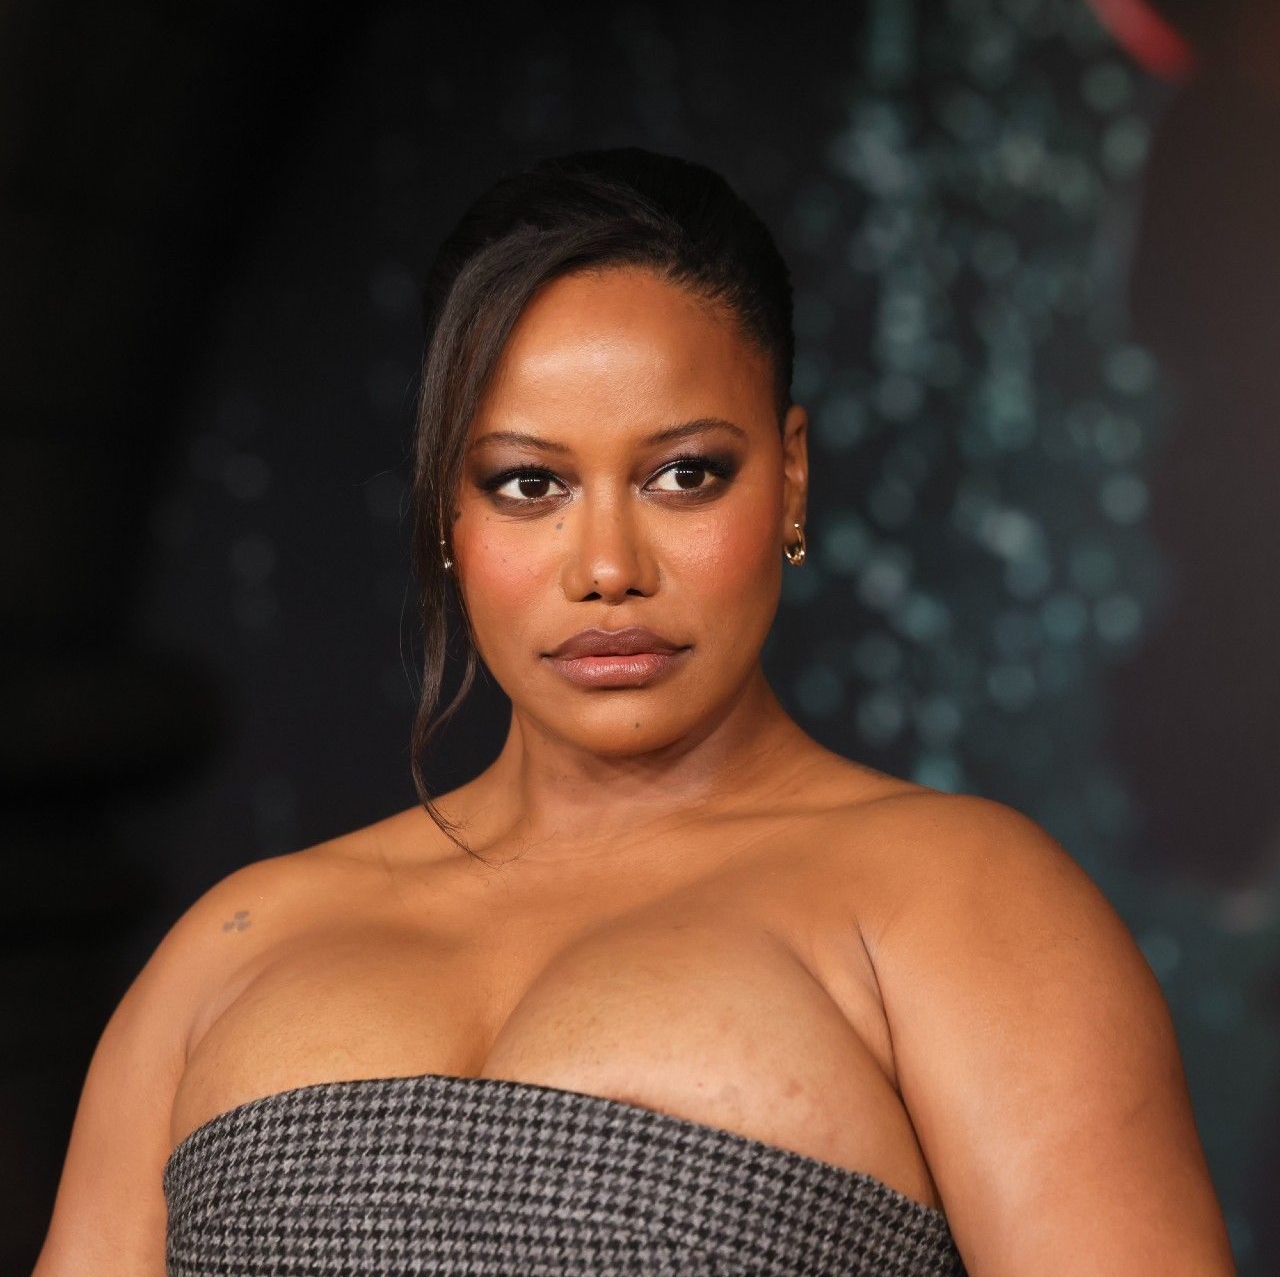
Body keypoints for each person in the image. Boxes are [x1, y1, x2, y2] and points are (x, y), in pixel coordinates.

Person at [33, 146, 1236, 1276]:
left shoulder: (959, 905)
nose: (606, 564)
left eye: (682, 473)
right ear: (444, 512)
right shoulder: (234, 944)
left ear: (791, 476)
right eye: (527, 483)